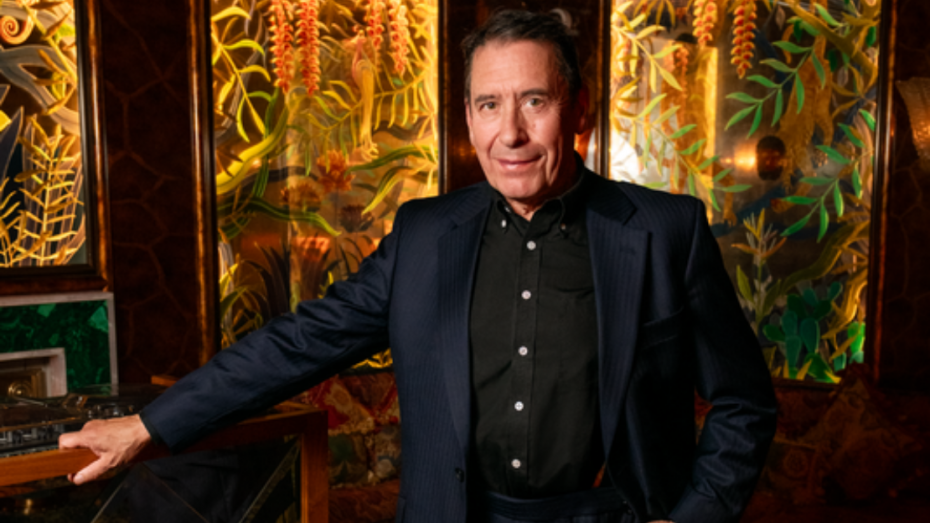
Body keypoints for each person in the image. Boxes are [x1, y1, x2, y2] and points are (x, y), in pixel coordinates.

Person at [61, 9, 776, 523]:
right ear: (468, 119)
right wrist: (149, 425)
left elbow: (745, 401)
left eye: (534, 101)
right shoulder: (426, 236)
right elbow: (298, 343)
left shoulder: (665, 231)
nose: (511, 133)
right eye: (490, 105)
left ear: (578, 109)